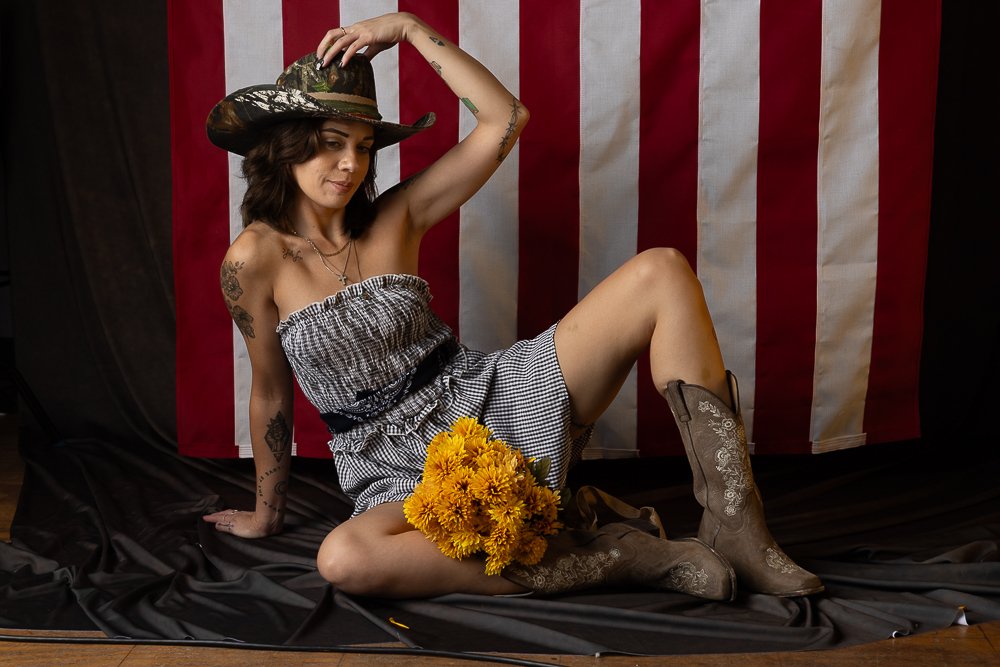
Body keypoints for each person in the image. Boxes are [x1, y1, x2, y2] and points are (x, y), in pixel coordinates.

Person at [202, 12, 822, 600]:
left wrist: (409, 28)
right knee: (345, 560)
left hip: (496, 398)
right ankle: (617, 558)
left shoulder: (397, 217)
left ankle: (738, 530)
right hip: (393, 466)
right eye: (331, 144)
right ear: (286, 146)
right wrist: (266, 515)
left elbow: (505, 118)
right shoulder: (253, 259)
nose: (349, 164)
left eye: (364, 147)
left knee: (662, 270)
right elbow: (270, 392)